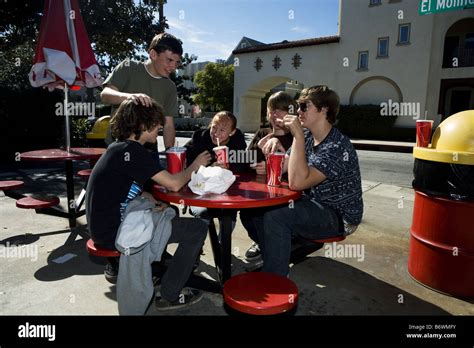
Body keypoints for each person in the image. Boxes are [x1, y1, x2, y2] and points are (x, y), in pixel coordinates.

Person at [86, 98, 212, 310]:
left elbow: (121, 186)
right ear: (142, 125)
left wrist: (147, 196)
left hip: (103, 227)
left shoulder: (119, 148)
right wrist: (196, 165)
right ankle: (171, 293)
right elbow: (173, 184)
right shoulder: (132, 151)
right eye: (156, 122)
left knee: (168, 210)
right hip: (113, 234)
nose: (161, 127)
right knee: (198, 227)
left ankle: (160, 271)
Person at [250, 86, 363, 277]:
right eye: (298, 106)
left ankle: (275, 279)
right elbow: (285, 166)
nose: (298, 111)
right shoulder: (309, 136)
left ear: (324, 109)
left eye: (303, 106)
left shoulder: (337, 146)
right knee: (256, 208)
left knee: (277, 216)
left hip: (339, 216)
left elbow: (297, 183)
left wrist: (297, 136)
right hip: (313, 204)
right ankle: (276, 253)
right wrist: (272, 151)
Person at [101, 32, 182, 150]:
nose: (173, 67)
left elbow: (168, 125)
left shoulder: (170, 87)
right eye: (169, 60)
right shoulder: (128, 67)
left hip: (149, 151)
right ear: (153, 54)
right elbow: (105, 95)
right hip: (118, 146)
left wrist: (171, 154)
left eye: (177, 62)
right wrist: (130, 97)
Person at [240, 91, 296, 263]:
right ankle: (264, 244)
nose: (275, 114)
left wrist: (278, 167)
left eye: (281, 110)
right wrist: (255, 166)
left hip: (287, 194)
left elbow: (301, 167)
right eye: (271, 110)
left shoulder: (297, 136)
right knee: (247, 213)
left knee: (263, 214)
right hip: (261, 190)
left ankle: (273, 253)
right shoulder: (262, 133)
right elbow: (245, 160)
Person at [184, 111, 248, 237]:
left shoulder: (237, 139)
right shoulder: (199, 138)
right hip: (200, 191)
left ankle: (222, 247)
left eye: (222, 130)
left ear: (232, 132)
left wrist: (228, 166)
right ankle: (196, 246)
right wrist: (209, 169)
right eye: (214, 127)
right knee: (202, 212)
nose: (216, 133)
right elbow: (188, 166)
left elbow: (244, 163)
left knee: (229, 212)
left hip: (228, 192)